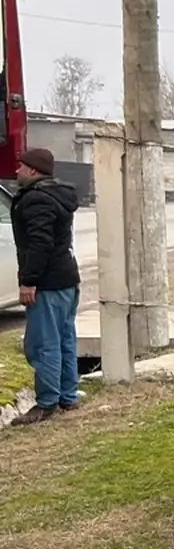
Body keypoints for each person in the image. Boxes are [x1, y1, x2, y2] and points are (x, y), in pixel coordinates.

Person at [7, 145, 81, 426]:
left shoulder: (37, 200)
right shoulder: (58, 194)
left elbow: (40, 244)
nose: (16, 171)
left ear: (33, 171)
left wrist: (29, 281)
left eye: (21, 167)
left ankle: (47, 403)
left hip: (48, 284)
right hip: (67, 280)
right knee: (64, 339)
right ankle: (67, 396)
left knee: (43, 344)